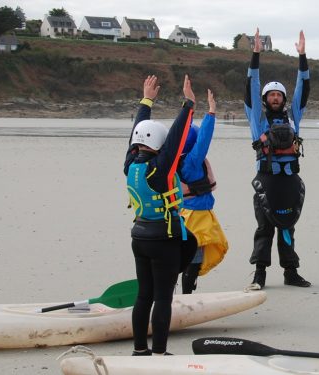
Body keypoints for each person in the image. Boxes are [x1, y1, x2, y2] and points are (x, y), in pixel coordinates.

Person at [124, 74, 200, 356]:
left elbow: (135, 133)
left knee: (143, 296)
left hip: (139, 237)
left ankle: (139, 350)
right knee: (163, 298)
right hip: (163, 239)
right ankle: (159, 352)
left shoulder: (130, 164)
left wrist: (146, 102)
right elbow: (177, 139)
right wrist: (188, 105)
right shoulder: (160, 168)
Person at [244, 28, 311, 290]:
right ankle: (259, 274)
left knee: (287, 226)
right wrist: (255, 54)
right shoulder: (257, 119)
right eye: (271, 95)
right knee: (264, 228)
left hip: (289, 179)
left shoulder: (293, 115)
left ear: (283, 99)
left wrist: (302, 56)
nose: (275, 97)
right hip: (266, 180)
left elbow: (303, 87)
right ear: (264, 99)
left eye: (278, 95)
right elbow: (251, 83)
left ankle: (290, 272)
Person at [178, 90, 230, 294]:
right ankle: (187, 294)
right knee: (194, 257)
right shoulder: (191, 162)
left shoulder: (173, 160)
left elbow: (184, 133)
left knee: (183, 256)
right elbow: (203, 143)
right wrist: (211, 112)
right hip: (195, 217)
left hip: (183, 214)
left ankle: (177, 292)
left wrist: (189, 105)